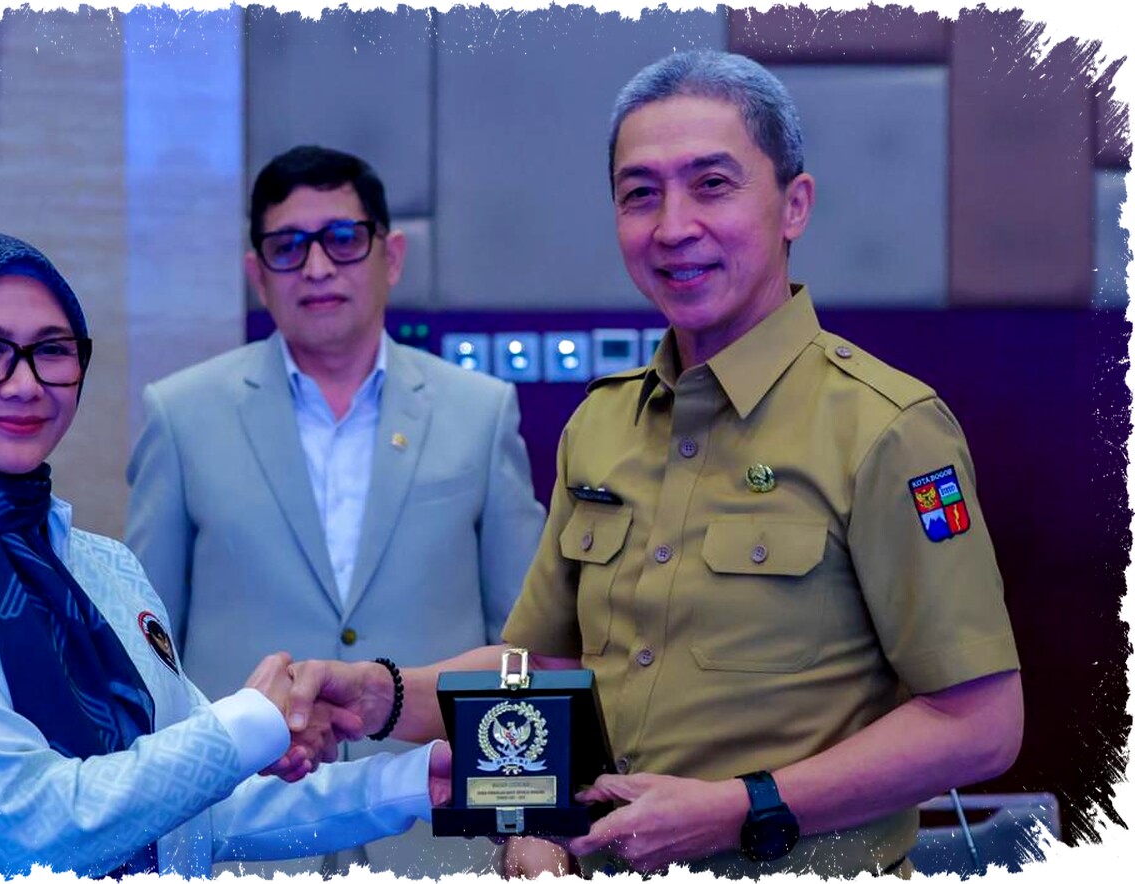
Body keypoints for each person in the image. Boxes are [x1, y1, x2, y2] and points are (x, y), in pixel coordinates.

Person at [281, 49, 1024, 879]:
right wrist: (384, 697)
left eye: (712, 184)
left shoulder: (887, 430)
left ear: (794, 205)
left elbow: (981, 724)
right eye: (640, 194)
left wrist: (743, 809)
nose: (672, 227)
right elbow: (545, 674)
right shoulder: (601, 427)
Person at [0, 232, 449, 878]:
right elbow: (25, 828)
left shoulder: (101, 568)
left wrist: (409, 783)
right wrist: (248, 722)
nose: (25, 384)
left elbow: (196, 806)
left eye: (52, 350)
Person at [123, 145, 545, 876]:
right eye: (288, 247)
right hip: (247, 835)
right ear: (257, 273)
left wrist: (530, 817)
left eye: (343, 240)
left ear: (392, 256)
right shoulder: (181, 415)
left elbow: (525, 648)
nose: (317, 267)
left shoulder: (479, 413)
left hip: (435, 828)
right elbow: (146, 653)